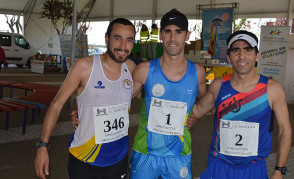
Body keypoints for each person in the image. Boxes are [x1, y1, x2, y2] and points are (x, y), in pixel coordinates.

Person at [35, 18, 136, 179]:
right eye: (118, 38)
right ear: (107, 39)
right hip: (85, 159)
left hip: (119, 160)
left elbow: (138, 94)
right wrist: (42, 147)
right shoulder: (84, 66)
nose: (123, 46)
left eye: (129, 40)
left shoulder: (130, 68)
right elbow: (56, 104)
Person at [191, 30, 292, 179]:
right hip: (219, 165)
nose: (242, 56)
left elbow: (285, 130)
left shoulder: (272, 89)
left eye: (248, 50)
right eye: (235, 50)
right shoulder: (218, 85)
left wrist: (279, 169)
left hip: (253, 168)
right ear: (229, 56)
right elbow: (196, 111)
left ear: (257, 55)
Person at [129, 9, 207, 179]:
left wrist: (197, 114)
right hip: (145, 153)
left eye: (179, 32)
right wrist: (83, 113)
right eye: (168, 31)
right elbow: (121, 100)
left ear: (187, 35)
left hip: (179, 154)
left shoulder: (198, 72)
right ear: (161, 35)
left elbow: (210, 101)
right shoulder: (144, 70)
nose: (173, 38)